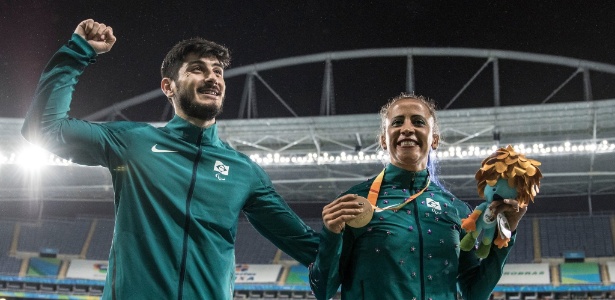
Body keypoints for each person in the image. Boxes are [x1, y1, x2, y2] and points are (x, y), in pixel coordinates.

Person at [21, 19, 319, 300]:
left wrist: (361, 227)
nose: (212, 78)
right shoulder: (133, 143)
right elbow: (44, 128)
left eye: (217, 71)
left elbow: (310, 248)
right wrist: (78, 51)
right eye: (198, 69)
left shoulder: (244, 172)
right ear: (168, 87)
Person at [308, 93, 526, 300]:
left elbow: (474, 293)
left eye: (418, 122)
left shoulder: (456, 210)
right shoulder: (354, 202)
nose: (407, 129)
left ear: (435, 140)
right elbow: (323, 290)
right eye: (397, 122)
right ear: (384, 140)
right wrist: (331, 235)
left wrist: (506, 233)